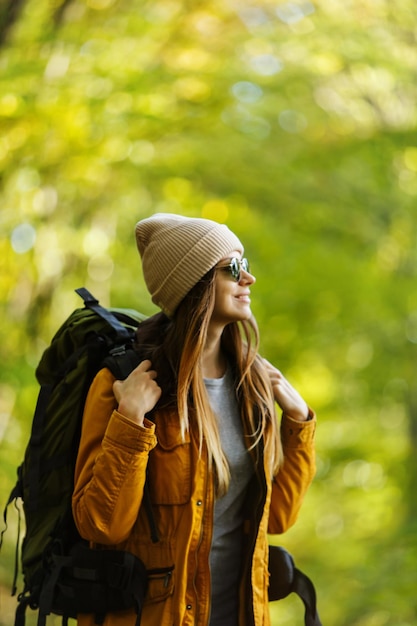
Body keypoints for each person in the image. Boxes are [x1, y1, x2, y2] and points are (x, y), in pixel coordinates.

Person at [72, 213, 317, 626]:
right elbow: (101, 525)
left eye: (247, 265)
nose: (248, 280)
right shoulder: (122, 383)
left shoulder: (254, 387)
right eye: (233, 268)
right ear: (195, 283)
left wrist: (299, 423)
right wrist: (131, 422)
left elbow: (276, 518)